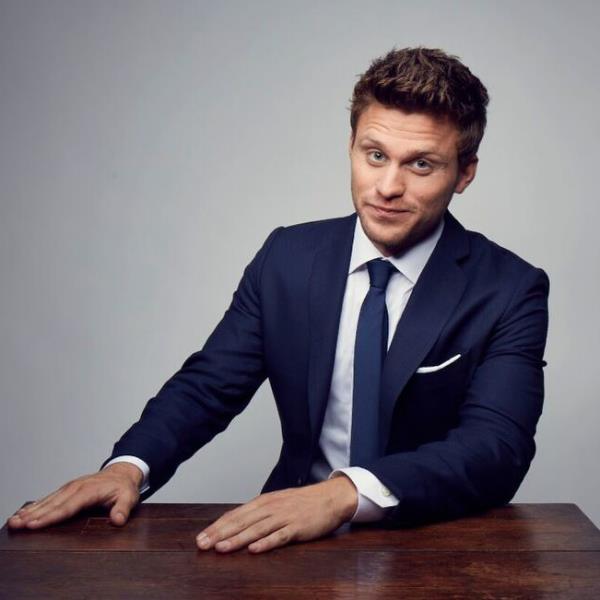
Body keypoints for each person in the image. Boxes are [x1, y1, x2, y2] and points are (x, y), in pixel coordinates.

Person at [6, 47, 549, 555]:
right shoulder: (287, 257)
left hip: (434, 542)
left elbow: (496, 446)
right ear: (351, 147)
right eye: (375, 155)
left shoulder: (510, 289)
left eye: (421, 165)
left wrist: (342, 494)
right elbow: (209, 385)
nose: (387, 186)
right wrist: (128, 467)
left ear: (465, 173)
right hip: (290, 542)